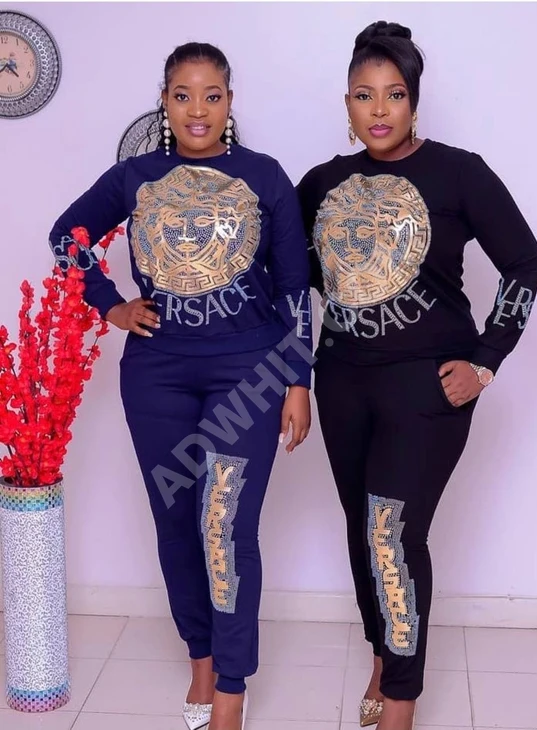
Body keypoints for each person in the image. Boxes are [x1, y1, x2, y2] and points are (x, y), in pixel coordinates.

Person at [49, 42, 313, 730]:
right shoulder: (134, 176)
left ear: (230, 102)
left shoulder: (264, 176)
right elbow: (67, 236)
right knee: (175, 522)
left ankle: (231, 684)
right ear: (164, 102)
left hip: (248, 373)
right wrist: (111, 306)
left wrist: (298, 380)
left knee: (224, 525)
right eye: (183, 95)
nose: (198, 109)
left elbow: (294, 288)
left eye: (212, 95)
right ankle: (200, 655)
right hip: (157, 374)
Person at [297, 21, 537, 730]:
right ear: (346, 103)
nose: (378, 109)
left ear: (414, 100)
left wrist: (486, 360)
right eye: (364, 95)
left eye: (394, 94)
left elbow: (524, 263)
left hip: (427, 388)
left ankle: (401, 698)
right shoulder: (321, 185)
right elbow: (292, 284)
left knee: (392, 534)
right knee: (361, 530)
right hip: (342, 382)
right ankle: (383, 652)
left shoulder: (458, 172)